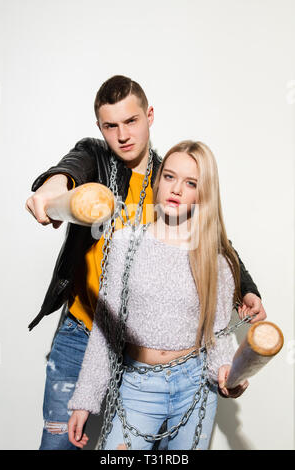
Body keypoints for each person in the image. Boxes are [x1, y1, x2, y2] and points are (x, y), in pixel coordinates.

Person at [25, 75, 266, 450]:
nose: (122, 135)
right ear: (100, 128)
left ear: (149, 116)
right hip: (86, 330)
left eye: (131, 121)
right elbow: (71, 170)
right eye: (111, 125)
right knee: (60, 442)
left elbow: (213, 242)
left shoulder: (168, 173)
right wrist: (53, 188)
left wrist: (246, 287)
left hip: (153, 343)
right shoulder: (96, 157)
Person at [67, 141, 250, 450]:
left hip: (195, 386)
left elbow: (217, 333)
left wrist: (227, 375)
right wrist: (85, 400)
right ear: (158, 179)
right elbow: (106, 329)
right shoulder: (124, 244)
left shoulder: (215, 258)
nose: (176, 189)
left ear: (203, 192)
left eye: (190, 183)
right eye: (169, 176)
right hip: (138, 386)